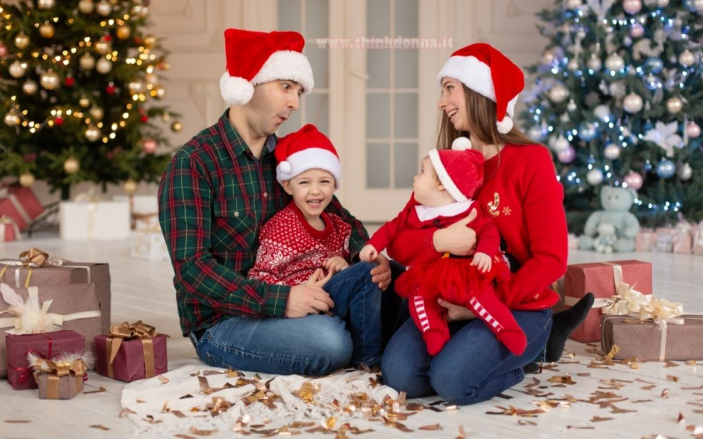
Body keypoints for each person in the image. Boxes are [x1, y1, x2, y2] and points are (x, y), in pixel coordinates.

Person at [158, 28, 392, 377]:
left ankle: (373, 330)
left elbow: (344, 220)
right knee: (330, 343)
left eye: (298, 91)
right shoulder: (194, 163)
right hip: (224, 323)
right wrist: (282, 301)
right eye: (286, 87)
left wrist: (367, 254)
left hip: (303, 294)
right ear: (248, 83)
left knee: (393, 276)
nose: (295, 103)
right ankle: (365, 337)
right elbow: (193, 270)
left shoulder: (288, 159)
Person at [380, 43, 593, 405]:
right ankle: (481, 353)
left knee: (451, 382)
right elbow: (399, 242)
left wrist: (482, 305)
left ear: (480, 94)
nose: (440, 101)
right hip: (448, 299)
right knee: (401, 377)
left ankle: (535, 351)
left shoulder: (531, 161)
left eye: (450, 88)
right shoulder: (447, 164)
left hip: (517, 305)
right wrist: (439, 241)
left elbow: (551, 260)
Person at [359, 138, 525, 357]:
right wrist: (373, 244)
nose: (414, 177)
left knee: (482, 299)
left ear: (441, 184)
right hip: (432, 275)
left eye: (421, 172)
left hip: (465, 273)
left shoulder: (467, 210)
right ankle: (434, 331)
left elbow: (489, 231)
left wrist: (485, 251)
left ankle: (507, 328)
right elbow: (392, 229)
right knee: (419, 299)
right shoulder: (417, 210)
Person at [248, 123, 381, 368]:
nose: (316, 191)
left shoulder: (339, 226)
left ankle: (379, 343)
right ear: (288, 186)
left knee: (380, 271)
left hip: (332, 296)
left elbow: (348, 264)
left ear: (335, 185)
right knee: (365, 272)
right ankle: (368, 358)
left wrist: (344, 262)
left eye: (324, 181)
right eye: (304, 183)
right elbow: (260, 276)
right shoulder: (281, 227)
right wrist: (295, 290)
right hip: (300, 304)